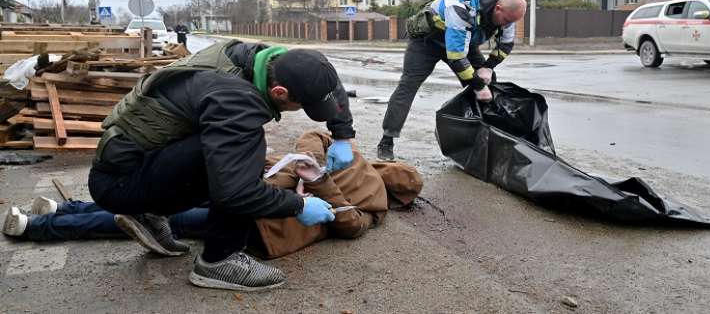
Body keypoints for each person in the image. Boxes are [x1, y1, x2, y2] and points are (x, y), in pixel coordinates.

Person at [87, 39, 357, 292]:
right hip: (119, 183)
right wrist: (298, 206)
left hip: (133, 160)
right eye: (302, 105)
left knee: (237, 150)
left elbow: (323, 79)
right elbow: (235, 193)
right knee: (243, 157)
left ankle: (148, 212)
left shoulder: (259, 58)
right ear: (279, 92)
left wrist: (342, 134)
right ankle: (219, 260)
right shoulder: (236, 100)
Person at [3, 131, 423, 260]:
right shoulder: (369, 187)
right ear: (400, 198)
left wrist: (314, 175)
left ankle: (53, 216)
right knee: (160, 215)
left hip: (252, 198)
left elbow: (347, 220)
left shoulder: (360, 170)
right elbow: (350, 225)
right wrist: (312, 166)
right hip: (258, 211)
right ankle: (45, 221)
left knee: (156, 210)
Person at [377, 0, 527, 160]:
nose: (508, 25)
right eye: (506, 21)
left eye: (511, 22)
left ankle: (488, 139)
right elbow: (456, 58)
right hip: (427, 42)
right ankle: (387, 141)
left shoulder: (508, 13)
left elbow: (505, 45)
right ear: (498, 8)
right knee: (408, 86)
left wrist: (488, 67)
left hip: (463, 42)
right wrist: (478, 85)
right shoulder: (460, 7)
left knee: (490, 82)